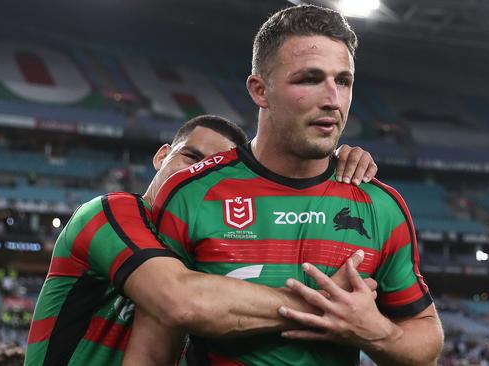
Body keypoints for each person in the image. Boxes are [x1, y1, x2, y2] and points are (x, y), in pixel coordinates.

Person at [148, 5, 443, 365]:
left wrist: (375, 332)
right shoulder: (190, 194)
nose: (333, 100)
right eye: (309, 79)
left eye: (344, 81)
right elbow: (152, 345)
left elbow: (425, 340)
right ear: (260, 90)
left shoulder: (380, 205)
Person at [24, 114, 378, 366]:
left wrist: (333, 168)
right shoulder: (109, 212)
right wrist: (328, 308)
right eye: (191, 157)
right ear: (162, 156)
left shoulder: (215, 249)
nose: (195, 176)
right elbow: (178, 299)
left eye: (212, 170)